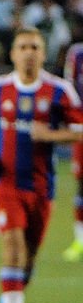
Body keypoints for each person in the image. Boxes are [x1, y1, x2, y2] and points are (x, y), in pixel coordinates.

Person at [0, 28, 83, 303]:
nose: (29, 52)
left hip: (41, 186)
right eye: (23, 47)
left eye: (35, 47)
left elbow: (79, 130)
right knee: (13, 248)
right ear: (12, 54)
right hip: (5, 183)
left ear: (43, 52)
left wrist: (49, 136)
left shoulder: (59, 91)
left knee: (29, 259)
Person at [62, 40, 83, 261]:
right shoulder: (77, 54)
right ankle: (80, 240)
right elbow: (70, 87)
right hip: (82, 128)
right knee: (82, 184)